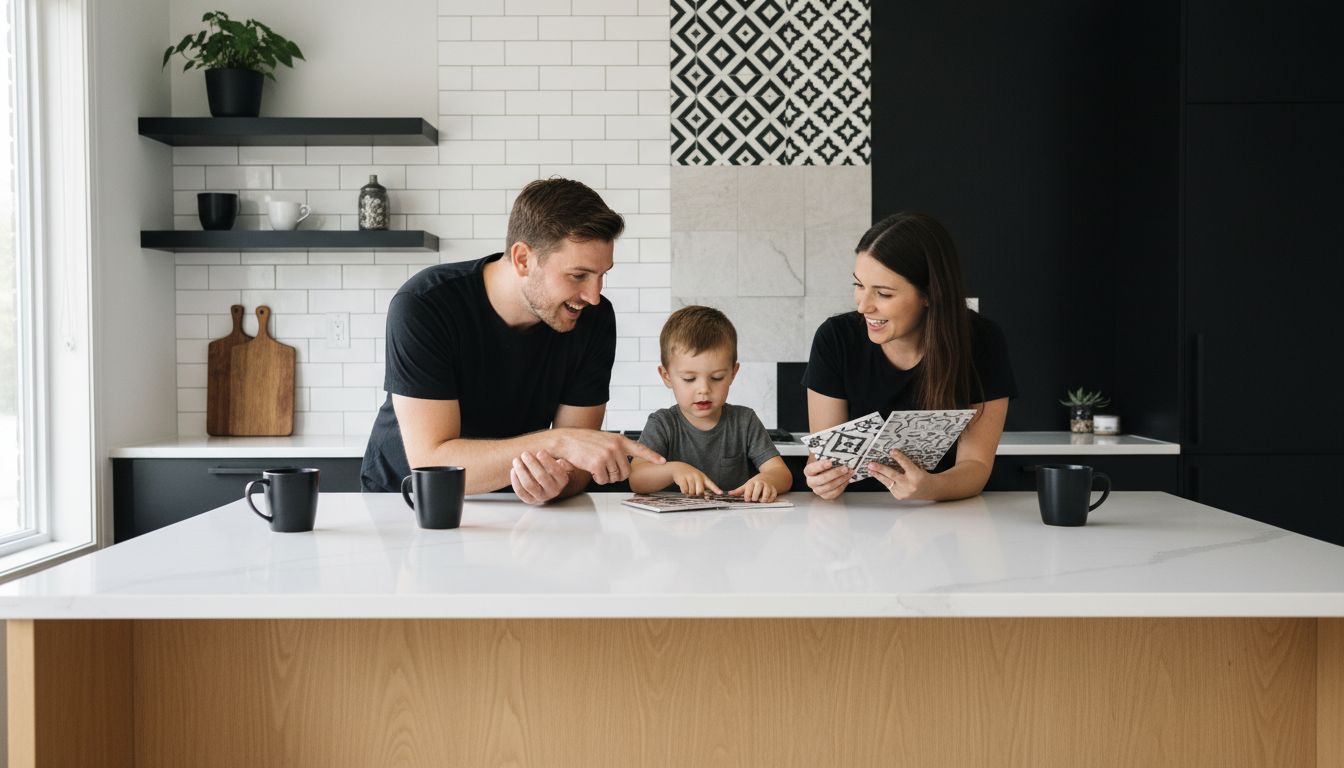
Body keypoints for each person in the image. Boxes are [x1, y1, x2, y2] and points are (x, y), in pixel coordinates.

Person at [361, 178, 664, 502]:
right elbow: (432, 464)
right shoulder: (425, 304)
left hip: (512, 504)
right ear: (522, 259)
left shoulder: (595, 319)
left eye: (602, 274)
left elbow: (578, 465)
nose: (593, 295)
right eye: (578, 275)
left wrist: (557, 482)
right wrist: (557, 443)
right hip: (403, 502)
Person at [802, 212, 1017, 501]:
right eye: (859, 285)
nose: (864, 306)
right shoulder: (835, 338)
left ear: (929, 295)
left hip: (942, 512)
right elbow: (821, 456)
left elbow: (976, 466)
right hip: (856, 514)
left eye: (884, 294)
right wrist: (821, 478)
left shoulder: (981, 341)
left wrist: (931, 488)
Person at [629, 306, 792, 502]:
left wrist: (765, 481)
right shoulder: (662, 423)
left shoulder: (744, 421)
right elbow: (636, 479)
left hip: (734, 526)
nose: (704, 389)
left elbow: (781, 474)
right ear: (667, 376)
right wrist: (673, 470)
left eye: (717, 377)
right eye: (689, 379)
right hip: (675, 528)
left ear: (733, 372)